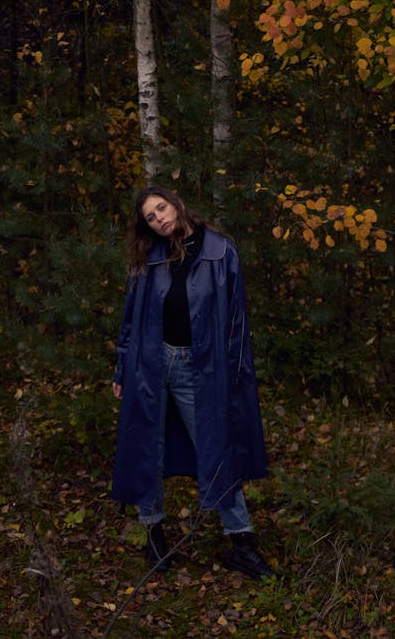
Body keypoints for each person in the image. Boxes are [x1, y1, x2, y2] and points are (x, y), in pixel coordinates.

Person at [110, 186, 272, 579]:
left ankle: (242, 544)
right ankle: (153, 538)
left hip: (201, 368)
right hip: (150, 364)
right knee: (150, 448)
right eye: (150, 217)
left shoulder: (220, 252)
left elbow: (237, 323)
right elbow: (130, 319)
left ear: (178, 204)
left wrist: (235, 376)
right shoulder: (149, 258)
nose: (159, 218)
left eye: (161, 208)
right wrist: (121, 371)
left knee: (216, 449)